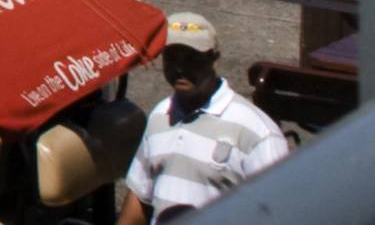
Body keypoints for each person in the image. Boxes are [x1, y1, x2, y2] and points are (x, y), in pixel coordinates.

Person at [119, 11, 289, 217]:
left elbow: (278, 211)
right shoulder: (160, 114)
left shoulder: (258, 133)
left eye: (192, 59)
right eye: (172, 58)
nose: (180, 68)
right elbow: (140, 194)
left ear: (214, 60)